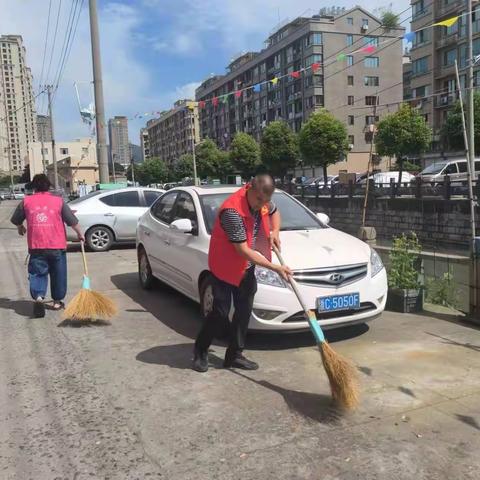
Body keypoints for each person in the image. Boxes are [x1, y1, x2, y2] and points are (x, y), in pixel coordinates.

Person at [193, 174, 292, 373]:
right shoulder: (232, 212)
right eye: (258, 200)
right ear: (250, 190)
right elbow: (243, 251)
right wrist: (276, 269)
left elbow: (275, 212)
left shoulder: (262, 201)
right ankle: (200, 350)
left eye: (265, 201)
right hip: (225, 268)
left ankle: (235, 355)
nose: (261, 205)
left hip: (246, 268)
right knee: (220, 313)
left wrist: (275, 232)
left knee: (244, 311)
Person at [10, 174, 85, 318]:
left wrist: (20, 226)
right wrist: (80, 234)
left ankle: (39, 297)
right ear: (48, 186)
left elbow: (16, 219)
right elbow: (72, 221)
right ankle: (57, 302)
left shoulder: (26, 201)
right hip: (56, 245)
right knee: (58, 273)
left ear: (34, 186)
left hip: (36, 246)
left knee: (37, 273)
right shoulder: (58, 201)